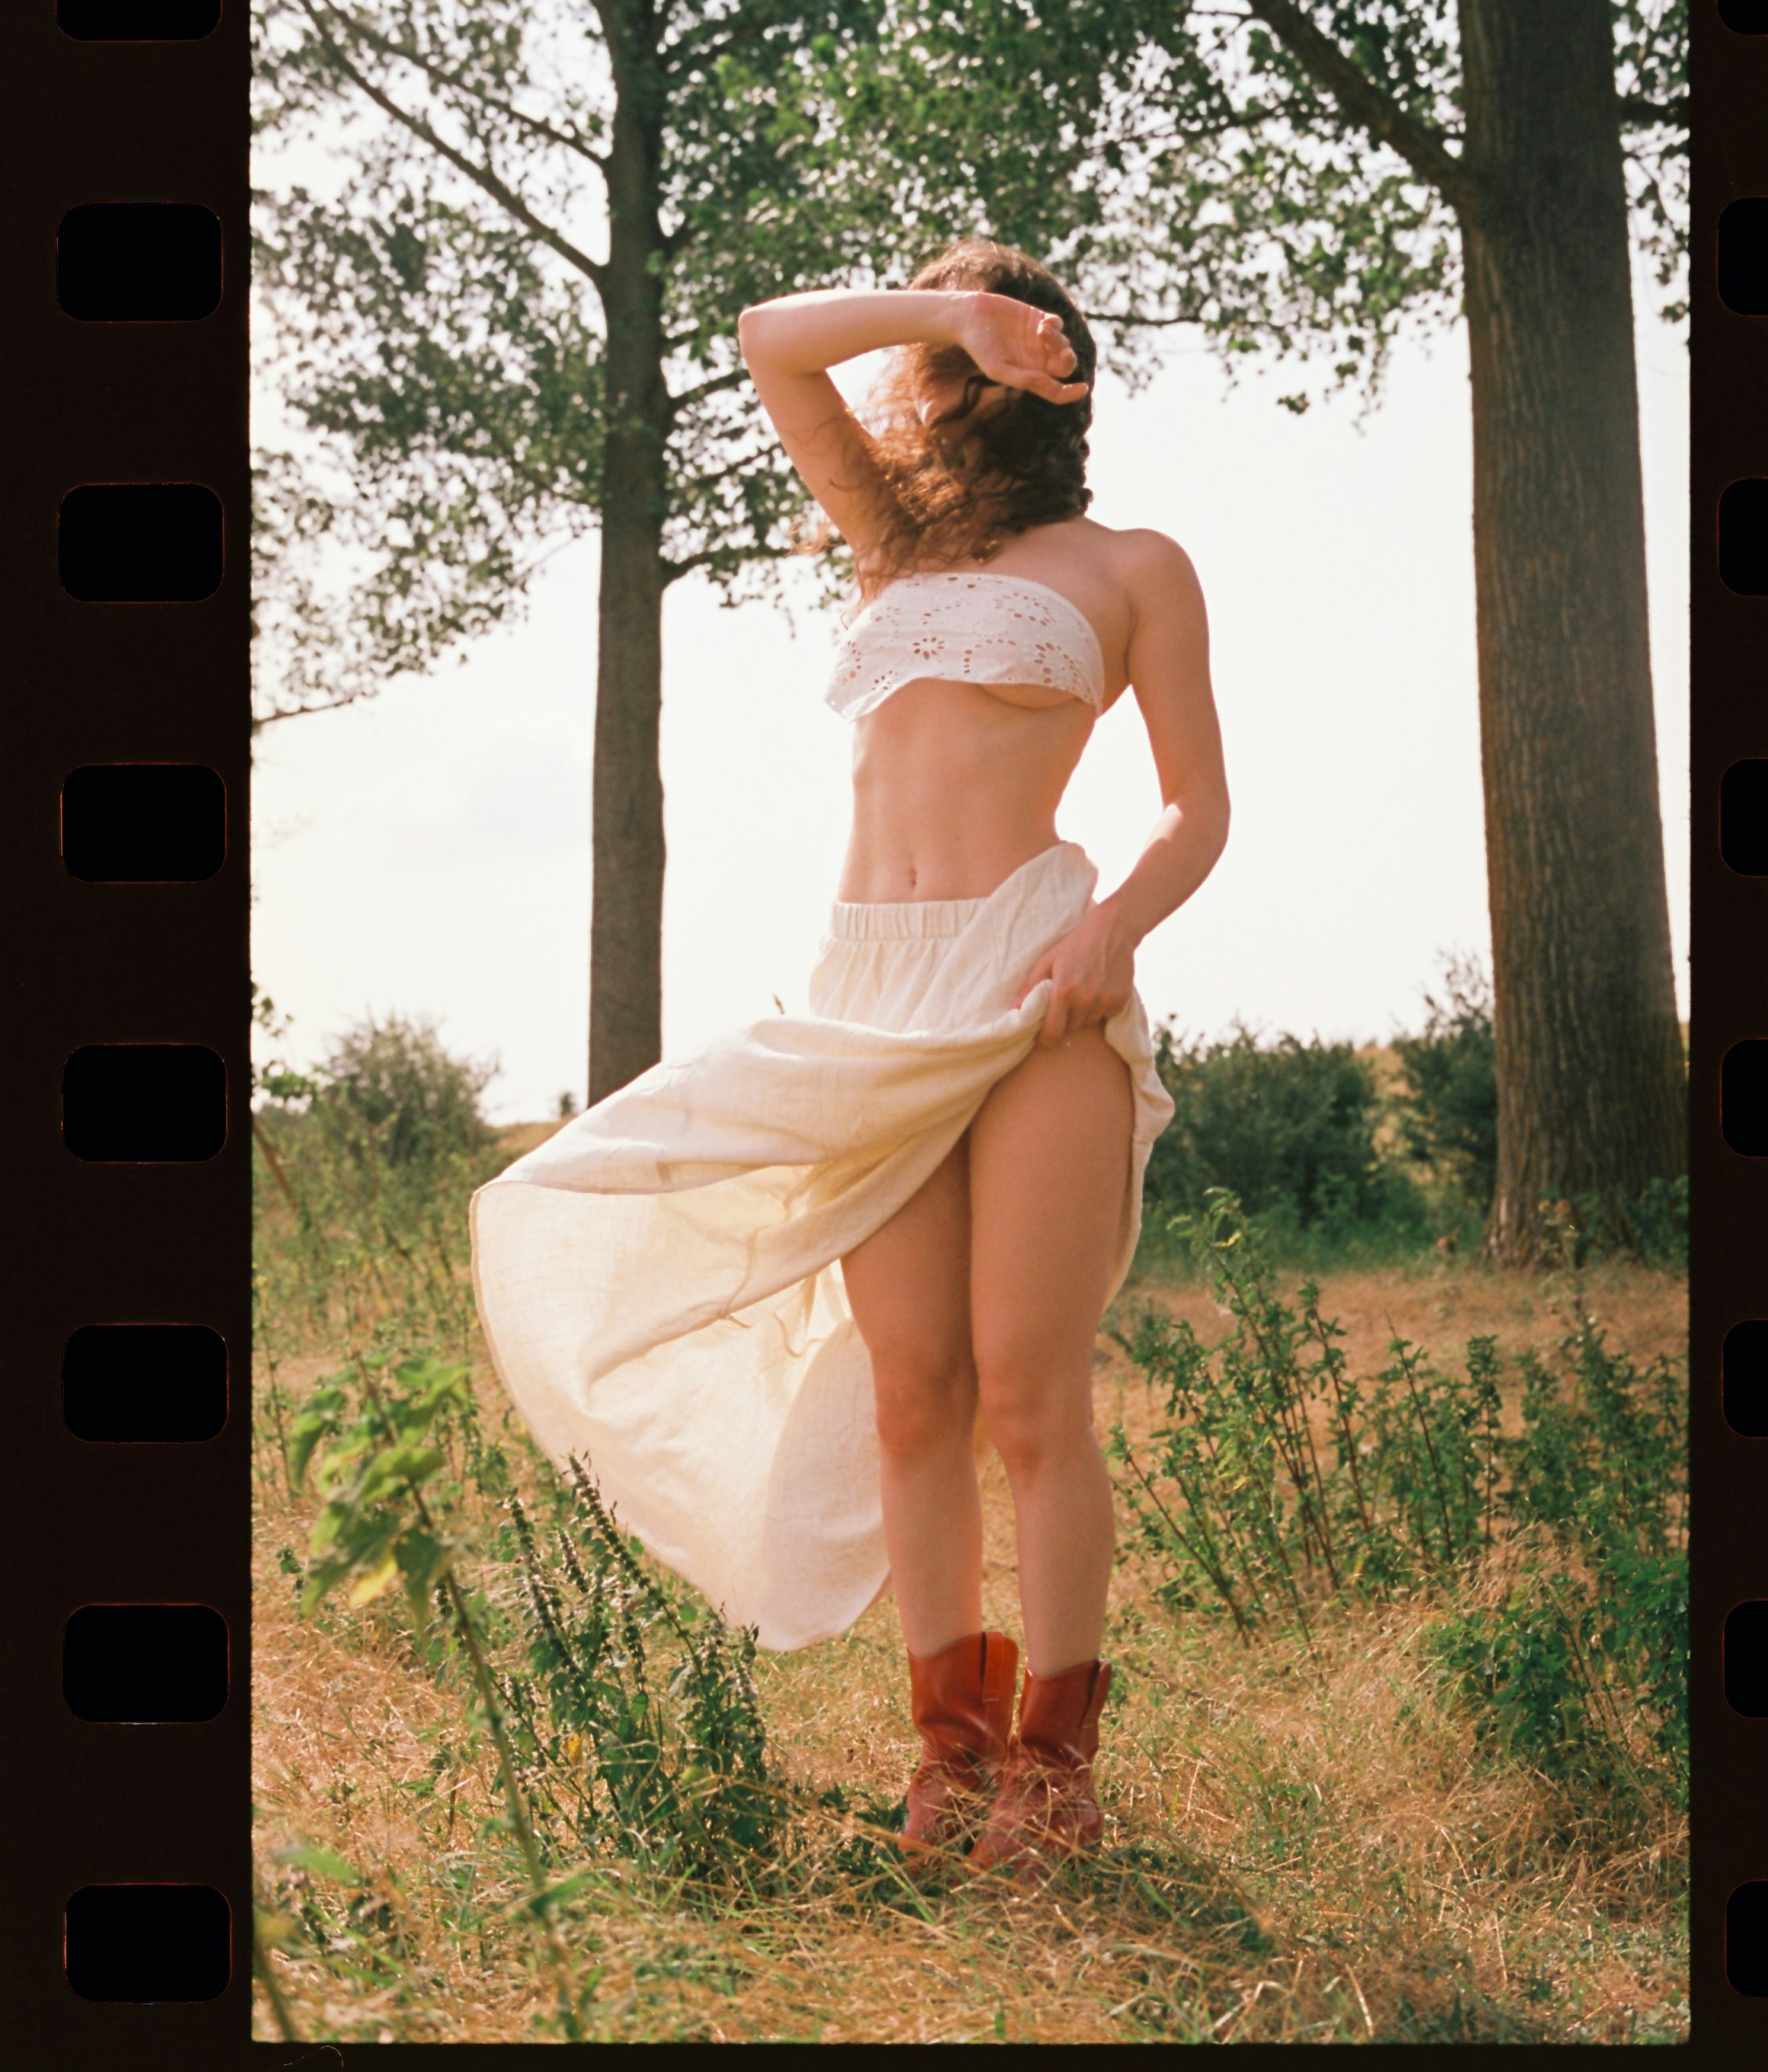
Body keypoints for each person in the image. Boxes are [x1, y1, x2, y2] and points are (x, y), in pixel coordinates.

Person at [470, 238, 1228, 1882]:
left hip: (1032, 983)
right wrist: (936, 306)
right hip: (866, 995)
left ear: (1053, 368)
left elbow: (1196, 807)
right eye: (935, 351)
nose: (928, 380)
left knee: (1028, 1396)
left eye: (971, 347)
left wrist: (1115, 933)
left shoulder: (1132, 566)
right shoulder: (885, 547)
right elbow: (765, 335)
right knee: (911, 1396)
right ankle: (945, 1760)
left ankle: (1055, 1771)